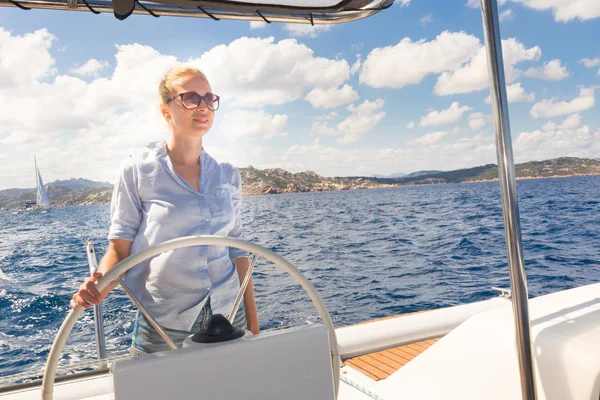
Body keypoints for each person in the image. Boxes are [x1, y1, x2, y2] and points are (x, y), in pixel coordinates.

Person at [71, 65, 259, 354]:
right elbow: (120, 251)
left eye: (209, 98)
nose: (203, 106)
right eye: (191, 98)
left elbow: (238, 252)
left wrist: (255, 331)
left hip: (229, 312)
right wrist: (98, 286)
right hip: (165, 319)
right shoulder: (138, 170)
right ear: (165, 110)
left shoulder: (227, 175)